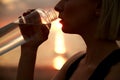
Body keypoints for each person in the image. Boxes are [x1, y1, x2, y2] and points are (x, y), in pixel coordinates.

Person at [16, 0, 120, 80]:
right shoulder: (75, 62)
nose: (57, 7)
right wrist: (29, 50)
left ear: (99, 6)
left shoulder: (116, 72)